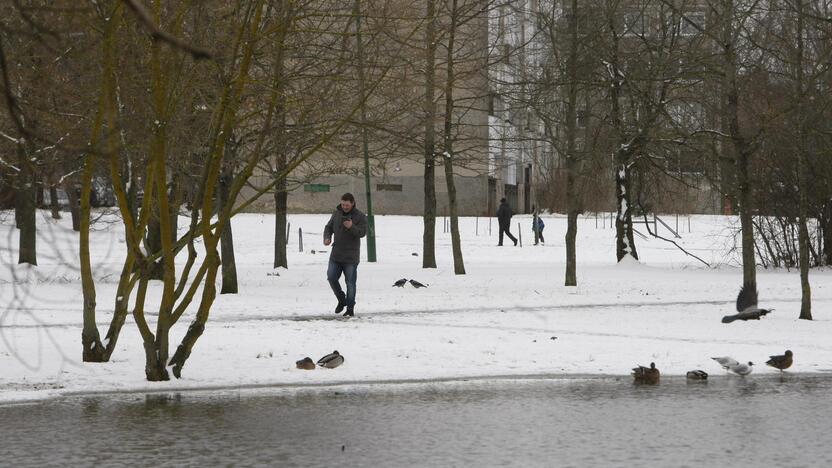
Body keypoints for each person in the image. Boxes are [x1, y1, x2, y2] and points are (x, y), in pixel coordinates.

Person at [323, 193, 367, 317]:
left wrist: (351, 226)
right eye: (342, 204)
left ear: (352, 203)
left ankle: (350, 308)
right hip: (336, 255)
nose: (344, 207)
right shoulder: (336, 213)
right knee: (331, 277)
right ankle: (341, 299)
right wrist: (327, 238)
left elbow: (362, 233)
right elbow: (328, 227)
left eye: (347, 205)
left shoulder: (360, 216)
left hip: (351, 257)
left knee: (350, 283)